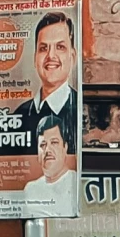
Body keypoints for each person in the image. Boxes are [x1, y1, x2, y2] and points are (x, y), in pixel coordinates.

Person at [19, 12, 80, 155]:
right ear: (35, 58)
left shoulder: (82, 110)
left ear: (72, 57)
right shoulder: (19, 115)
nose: (51, 56)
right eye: (43, 48)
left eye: (60, 47)